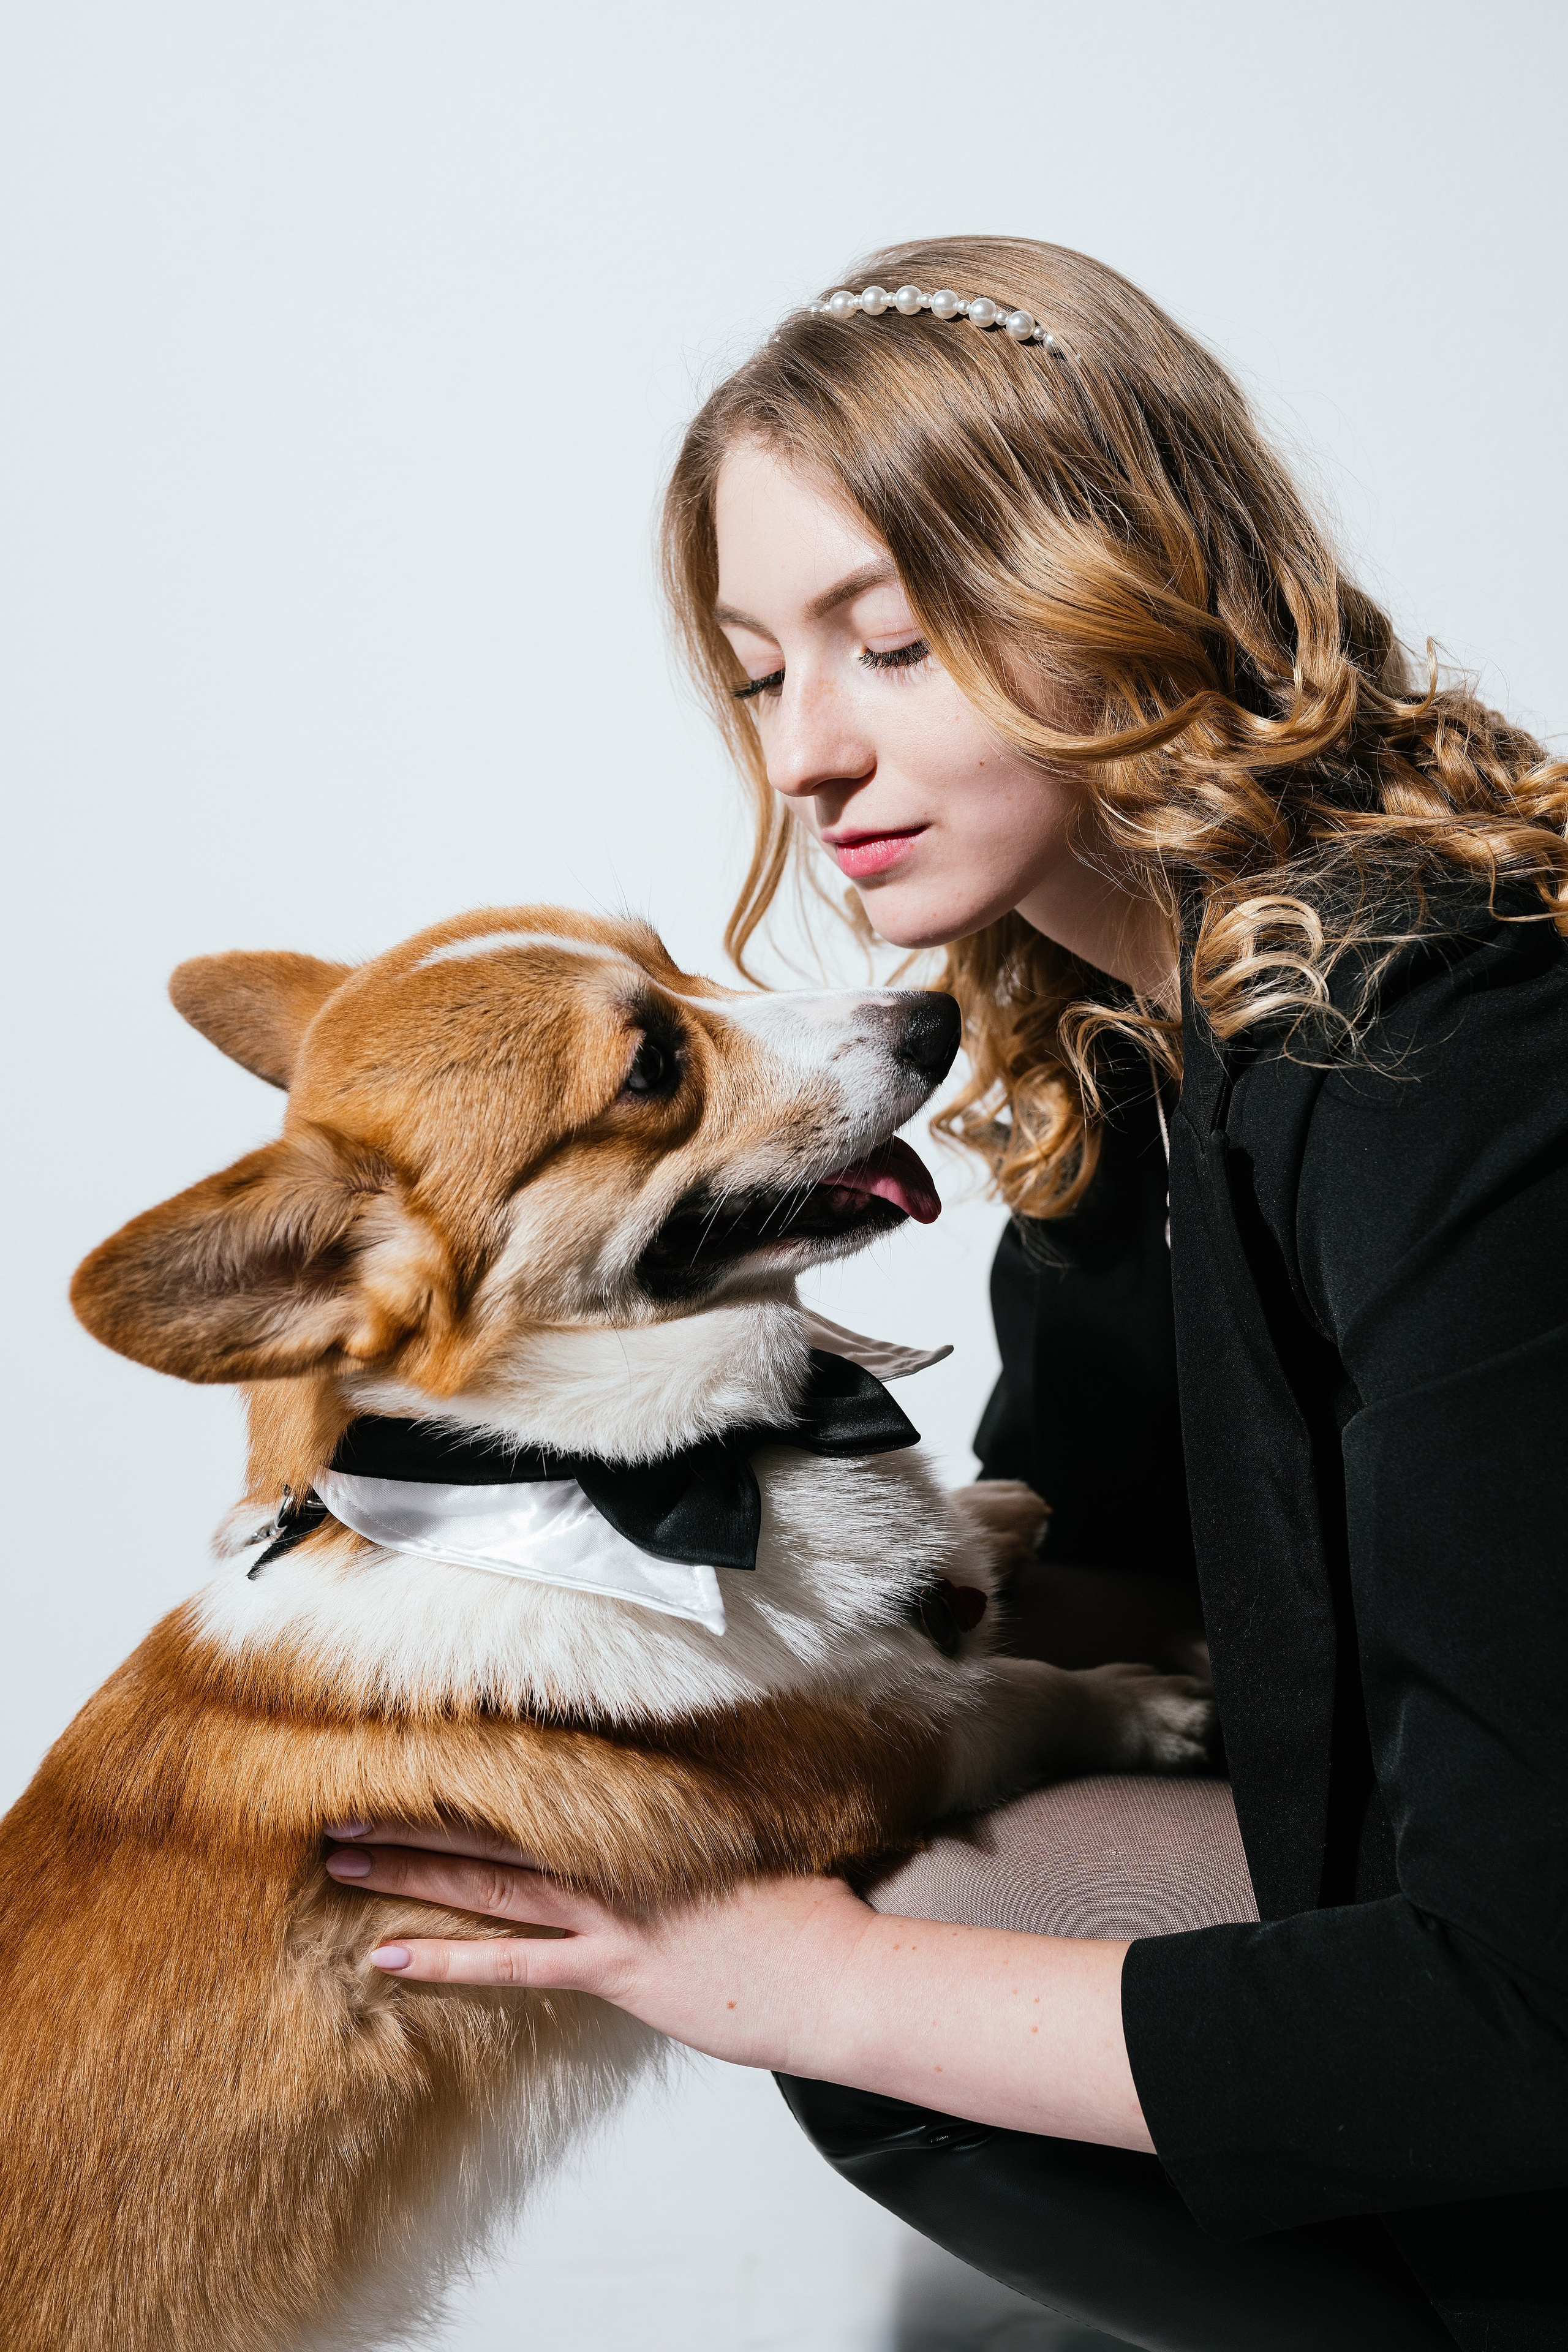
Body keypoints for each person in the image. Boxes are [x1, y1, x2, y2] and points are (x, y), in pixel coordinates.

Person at [322, 238, 1568, 2350]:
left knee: (878, 1976)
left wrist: (798, 1971)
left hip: (1524, 1993)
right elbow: (1096, 1579)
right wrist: (562, 1616)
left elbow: (1531, 2010)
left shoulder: (1455, 1054)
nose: (805, 752)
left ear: (1130, 584)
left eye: (888, 642)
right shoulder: (1114, 1036)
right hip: (1438, 1895)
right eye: (756, 668)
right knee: (878, 1890)